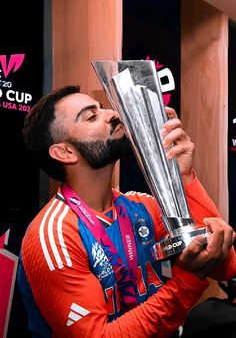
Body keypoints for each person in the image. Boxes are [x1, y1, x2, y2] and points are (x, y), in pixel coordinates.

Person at [18, 85, 236, 338]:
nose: (111, 113)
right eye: (91, 116)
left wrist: (184, 177)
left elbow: (225, 266)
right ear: (65, 152)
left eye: (102, 108)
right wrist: (185, 281)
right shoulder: (54, 235)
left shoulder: (141, 206)